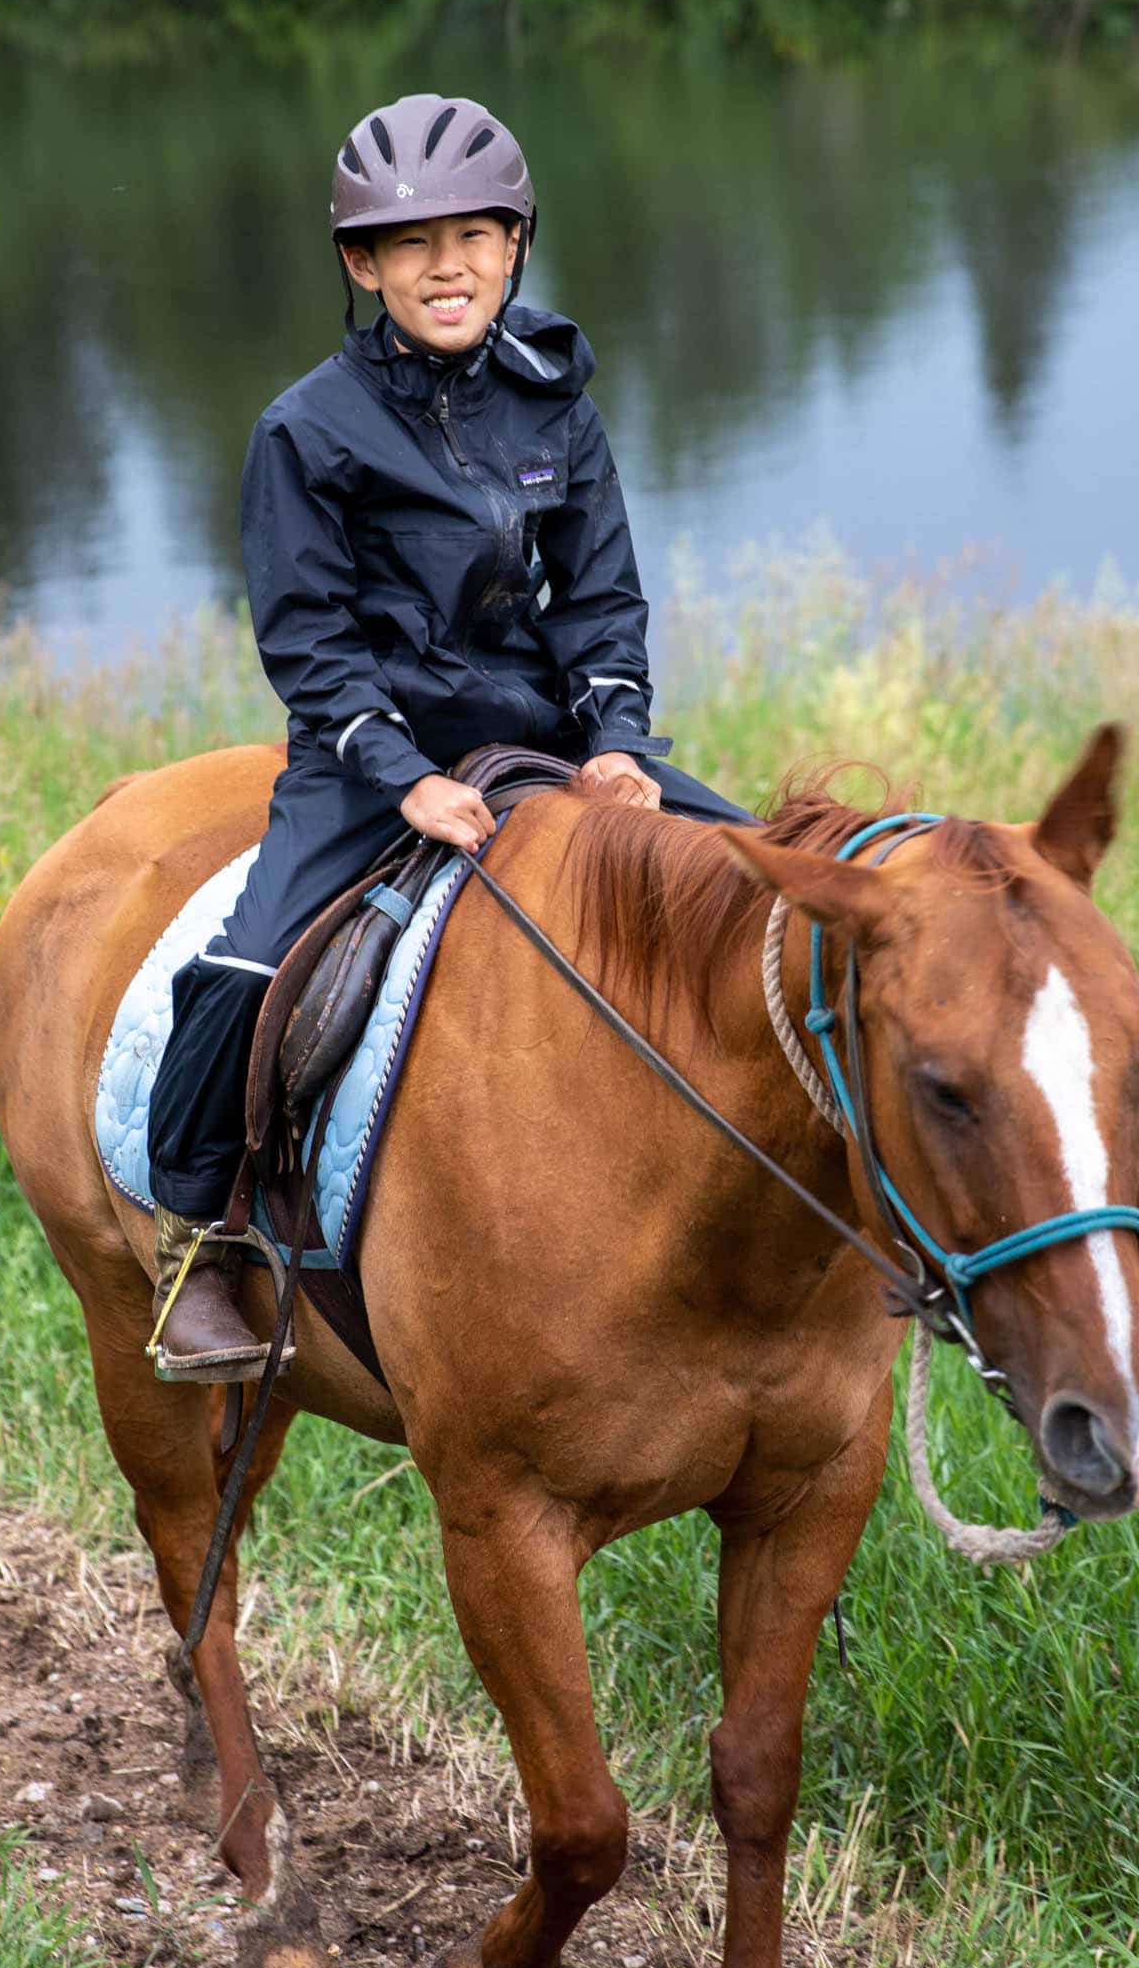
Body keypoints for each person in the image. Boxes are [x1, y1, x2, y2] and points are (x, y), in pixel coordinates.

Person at [145, 91, 750, 1377]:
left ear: (515, 244)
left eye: (473, 235)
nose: (446, 266)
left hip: (534, 738)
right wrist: (401, 776)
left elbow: (599, 605)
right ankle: (198, 1239)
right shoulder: (303, 430)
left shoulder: (557, 402)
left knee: (759, 879)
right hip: (368, 757)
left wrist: (619, 740)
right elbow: (309, 645)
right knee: (251, 967)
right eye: (409, 244)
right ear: (361, 266)